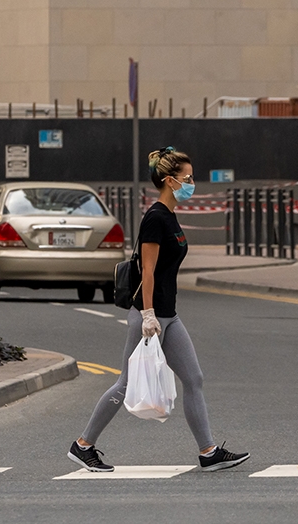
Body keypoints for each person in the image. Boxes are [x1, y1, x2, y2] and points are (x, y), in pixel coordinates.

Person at [68, 147, 249, 473]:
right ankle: (83, 445)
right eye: (187, 178)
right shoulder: (155, 218)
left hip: (169, 314)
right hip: (149, 316)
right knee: (125, 384)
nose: (192, 183)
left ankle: (208, 452)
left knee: (194, 378)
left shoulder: (170, 215)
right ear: (169, 180)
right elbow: (147, 271)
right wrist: (148, 315)